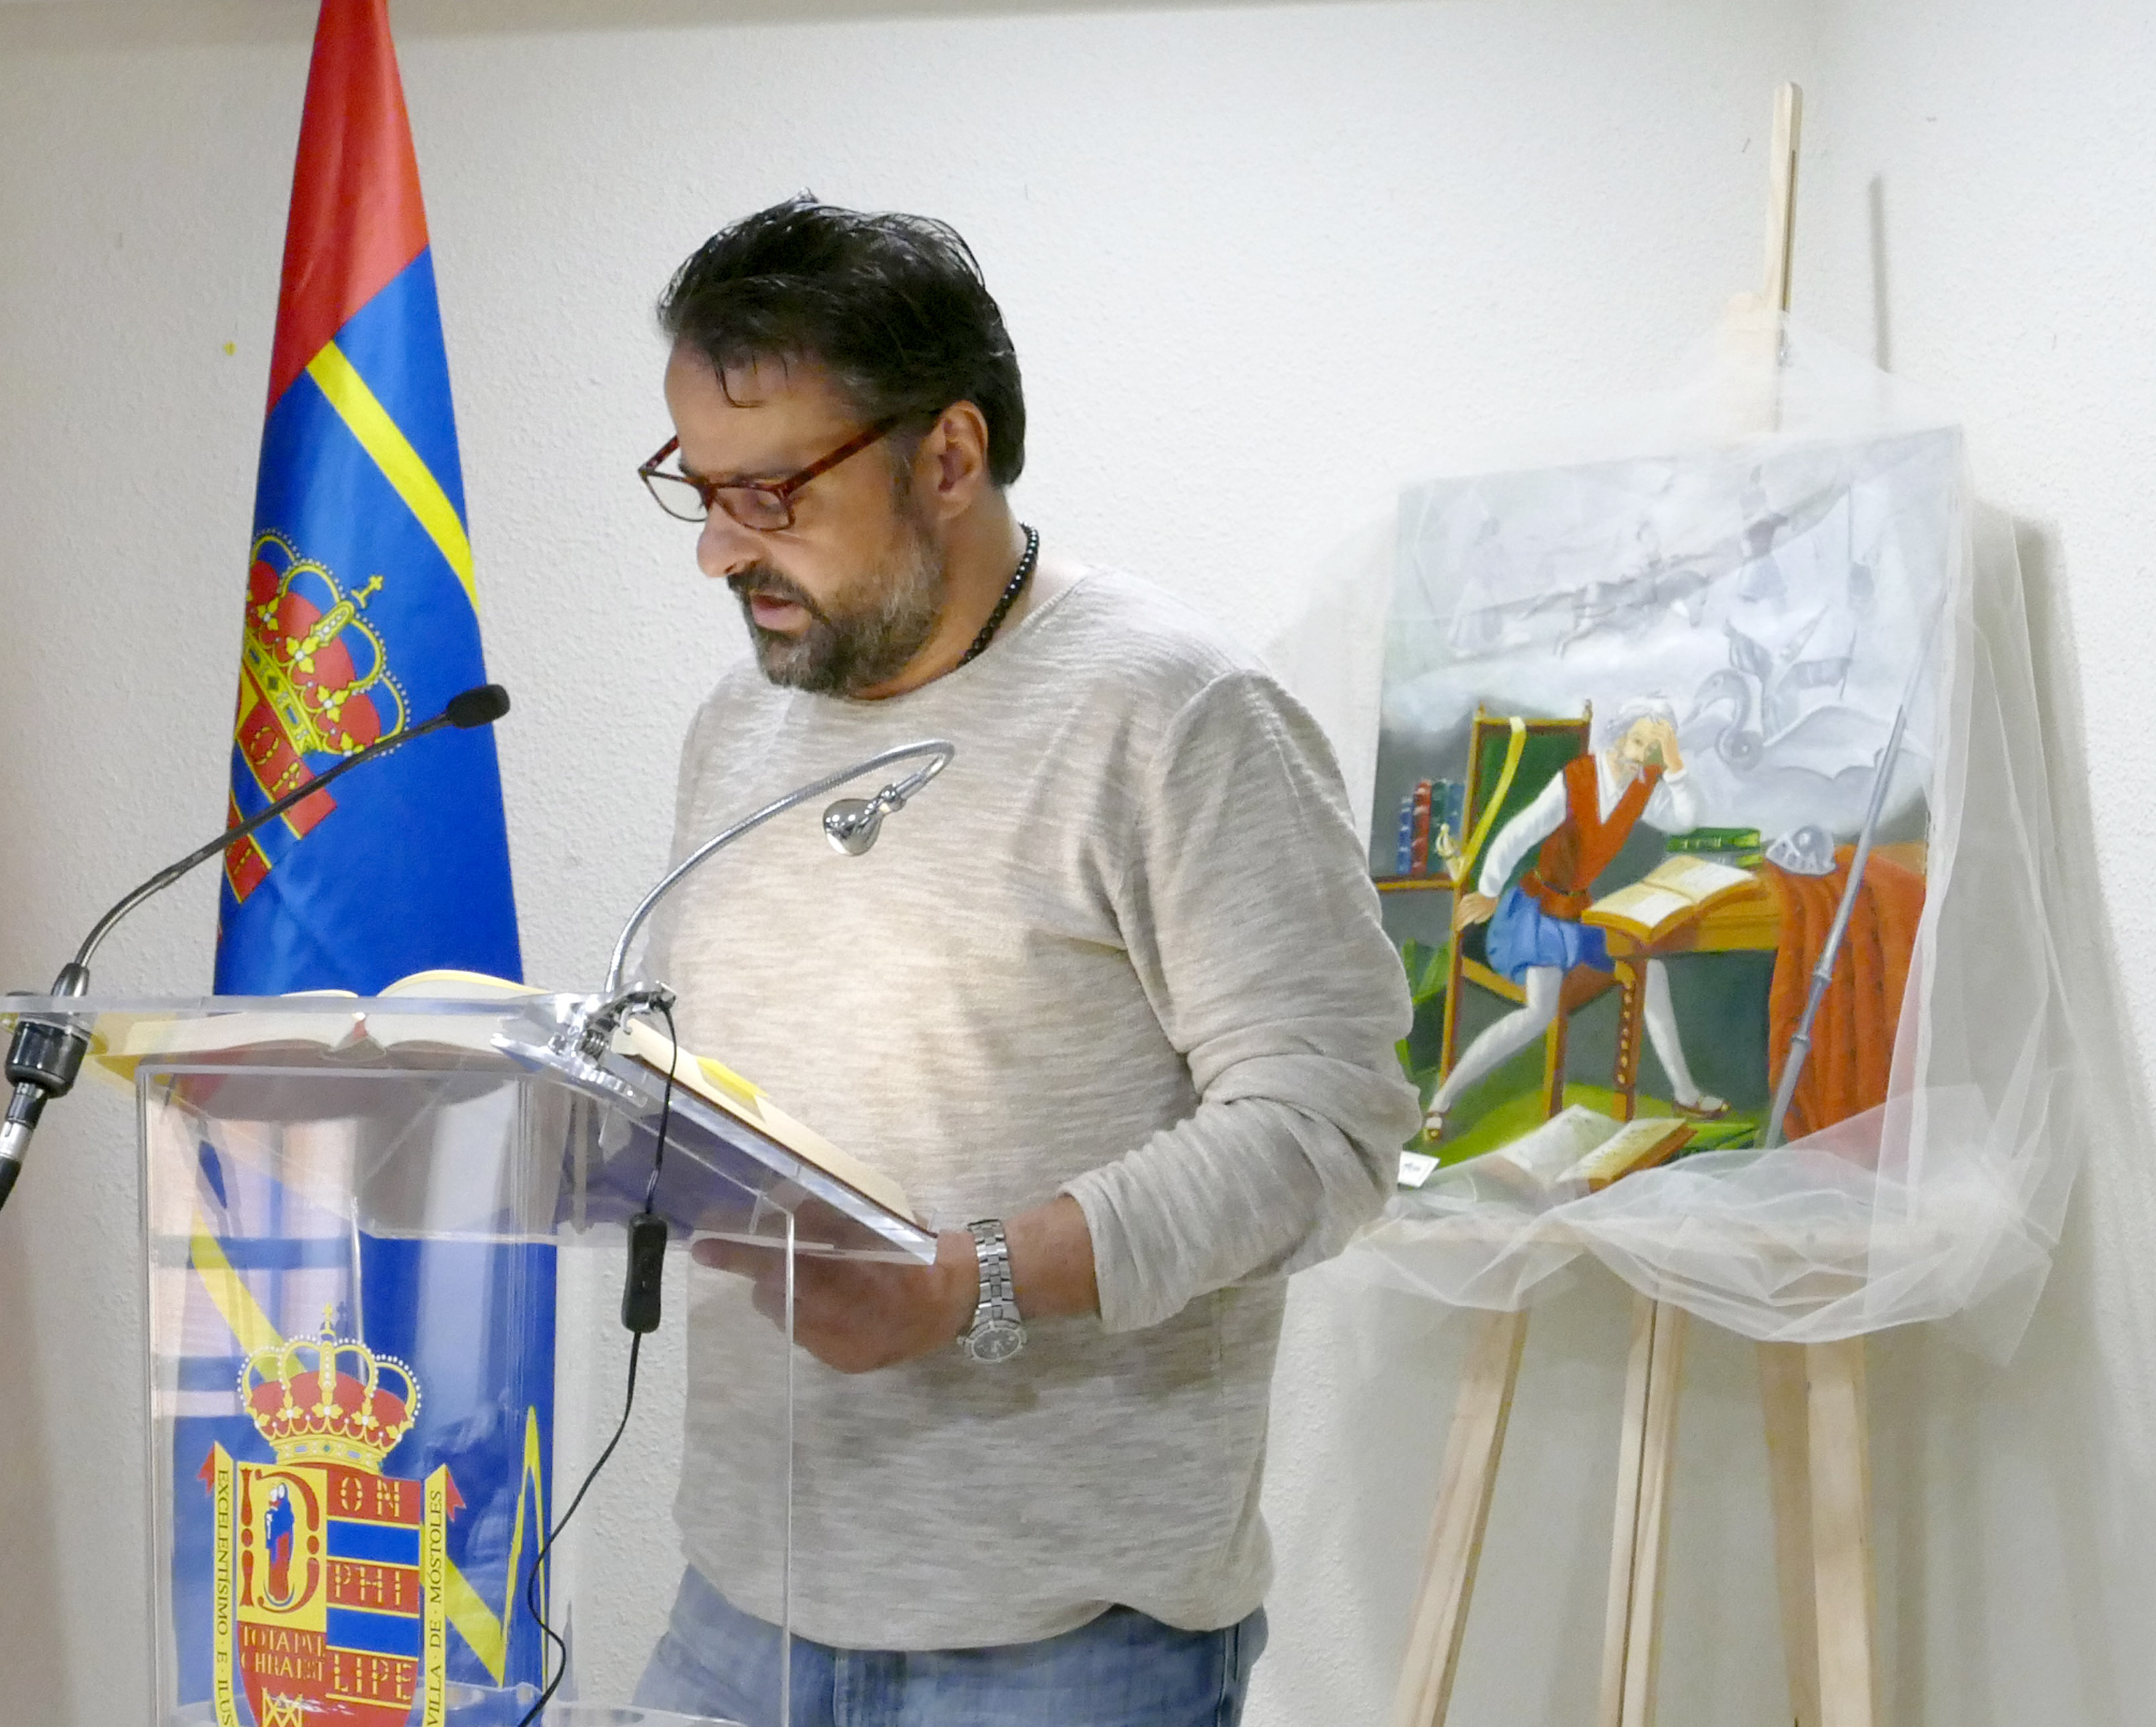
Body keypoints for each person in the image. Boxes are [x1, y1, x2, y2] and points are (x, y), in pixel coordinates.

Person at [627, 197, 1418, 1727]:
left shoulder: (1175, 713)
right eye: (698, 490)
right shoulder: (736, 726)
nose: (720, 549)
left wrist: (962, 1283)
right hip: (742, 1601)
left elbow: (1327, 1127)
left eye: (769, 492)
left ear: (948, 454)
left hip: (1071, 1641)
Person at [1422, 697, 1729, 1142]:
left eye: (1653, 748)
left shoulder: (1643, 785)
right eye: (1637, 741)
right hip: (1536, 914)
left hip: (1580, 915)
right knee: (1539, 1012)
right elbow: (1518, 833)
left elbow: (1685, 820)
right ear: (1619, 736)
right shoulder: (1578, 779)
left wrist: (1675, 762)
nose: (1641, 755)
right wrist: (1488, 891)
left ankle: (1686, 1093)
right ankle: (1443, 1098)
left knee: (1652, 973)